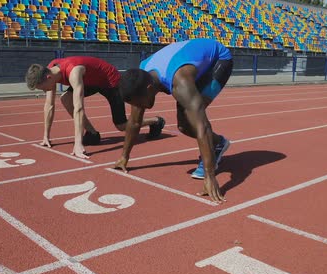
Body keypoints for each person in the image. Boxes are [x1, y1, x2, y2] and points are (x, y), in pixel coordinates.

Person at [113, 38, 233, 203]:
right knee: (183, 127)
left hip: (218, 59)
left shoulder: (180, 81)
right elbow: (134, 122)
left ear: (149, 89)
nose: (140, 108)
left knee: (192, 119)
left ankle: (216, 147)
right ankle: (218, 142)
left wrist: (209, 175)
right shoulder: (141, 77)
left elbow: (202, 126)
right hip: (185, 60)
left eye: (139, 103)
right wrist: (124, 157)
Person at [25, 56, 166, 159]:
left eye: (43, 88)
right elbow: (49, 105)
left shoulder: (74, 72)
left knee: (122, 125)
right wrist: (46, 136)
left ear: (48, 77)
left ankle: (156, 121)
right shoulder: (51, 68)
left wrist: (78, 144)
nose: (44, 91)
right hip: (92, 81)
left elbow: (79, 108)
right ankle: (92, 133)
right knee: (65, 98)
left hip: (110, 82)